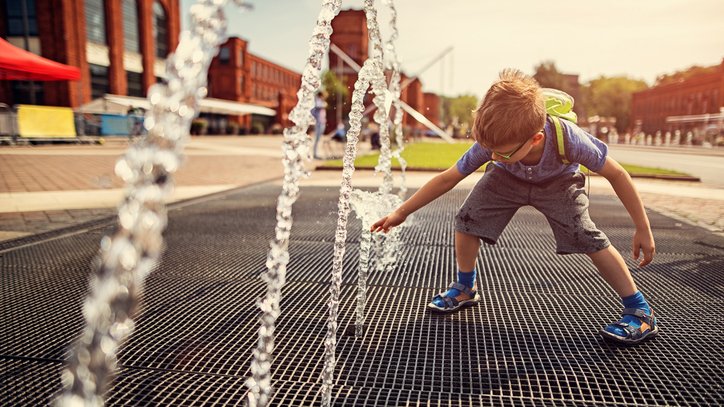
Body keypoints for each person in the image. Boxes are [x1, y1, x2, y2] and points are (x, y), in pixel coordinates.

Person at [370, 69, 658, 345]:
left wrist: (642, 227)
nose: (492, 154)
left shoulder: (569, 138)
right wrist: (402, 212)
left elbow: (617, 174)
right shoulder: (496, 143)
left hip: (559, 182)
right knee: (466, 220)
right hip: (506, 177)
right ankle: (464, 287)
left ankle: (640, 310)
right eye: (488, 149)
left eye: (502, 151)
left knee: (587, 236)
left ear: (536, 139)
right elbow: (448, 178)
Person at [312, 91, 327, 159]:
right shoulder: (317, 102)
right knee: (317, 139)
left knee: (318, 139)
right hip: (318, 123)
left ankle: (316, 153)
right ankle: (315, 154)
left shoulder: (320, 101)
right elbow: (321, 105)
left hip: (322, 122)